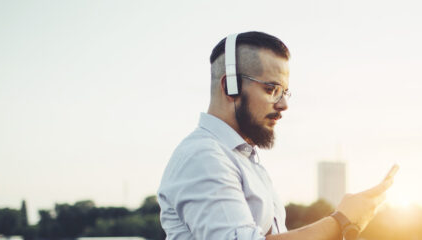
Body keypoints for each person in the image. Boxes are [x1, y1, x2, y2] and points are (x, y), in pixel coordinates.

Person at [157, 31, 396, 240]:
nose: (283, 105)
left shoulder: (243, 159)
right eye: (271, 90)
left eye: (285, 92)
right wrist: (341, 221)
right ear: (230, 86)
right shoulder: (204, 156)